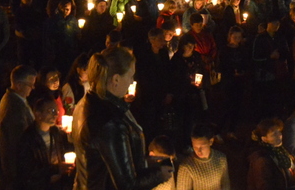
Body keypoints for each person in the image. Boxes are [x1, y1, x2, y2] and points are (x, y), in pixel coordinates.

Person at [73, 46, 165, 190]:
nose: (131, 81)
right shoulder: (109, 123)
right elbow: (127, 185)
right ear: (116, 79)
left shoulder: (86, 103)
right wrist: (161, 173)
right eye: (130, 75)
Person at [17, 94, 74, 190]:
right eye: (51, 111)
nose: (55, 114)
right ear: (38, 114)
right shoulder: (28, 139)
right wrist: (56, 169)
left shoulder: (56, 133)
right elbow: (28, 172)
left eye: (57, 111)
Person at [0, 64, 37, 189]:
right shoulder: (13, 106)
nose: (33, 88)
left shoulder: (18, 100)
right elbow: (19, 139)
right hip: (18, 168)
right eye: (30, 85)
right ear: (19, 85)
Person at [247, 118, 295, 190]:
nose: (279, 136)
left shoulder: (282, 151)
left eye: (279, 132)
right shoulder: (261, 159)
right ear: (264, 139)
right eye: (274, 134)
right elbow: (264, 186)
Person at [176, 123, 231, 190]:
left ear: (211, 141)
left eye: (202, 147)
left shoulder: (221, 158)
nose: (198, 151)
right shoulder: (186, 167)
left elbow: (225, 184)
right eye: (195, 147)